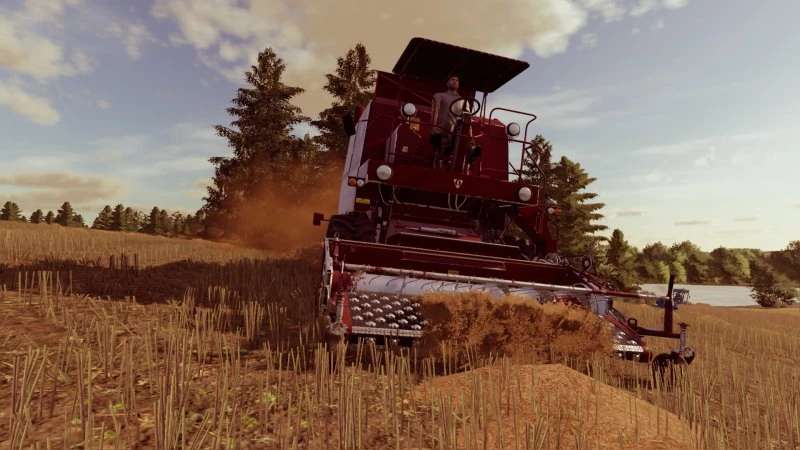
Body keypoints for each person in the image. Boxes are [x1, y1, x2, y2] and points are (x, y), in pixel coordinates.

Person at [430, 75, 462, 165]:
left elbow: (467, 117)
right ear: (447, 83)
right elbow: (435, 111)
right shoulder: (439, 95)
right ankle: (437, 159)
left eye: (457, 80)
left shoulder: (462, 100)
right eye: (452, 79)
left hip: (455, 133)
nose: (455, 81)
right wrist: (433, 128)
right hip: (440, 130)